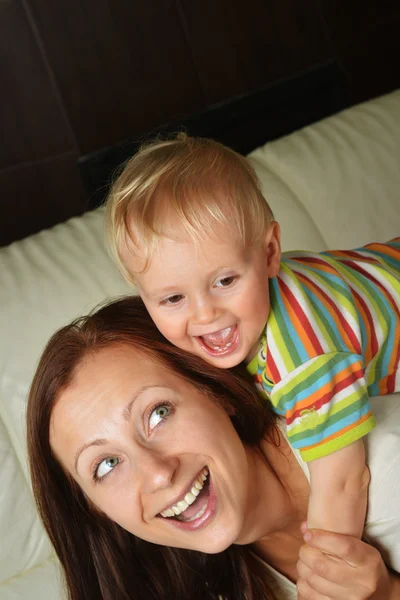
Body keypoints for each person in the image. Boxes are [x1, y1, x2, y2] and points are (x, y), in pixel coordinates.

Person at [105, 133, 400, 543]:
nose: (206, 314)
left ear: (269, 253)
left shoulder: (304, 358)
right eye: (173, 298)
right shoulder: (256, 297)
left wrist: (327, 564)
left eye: (225, 281)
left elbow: (344, 480)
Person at [27, 296, 400, 600]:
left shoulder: (388, 465)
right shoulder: (201, 580)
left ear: (217, 391)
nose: (158, 473)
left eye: (158, 413)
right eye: (106, 465)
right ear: (96, 510)